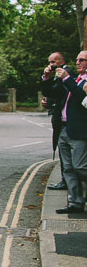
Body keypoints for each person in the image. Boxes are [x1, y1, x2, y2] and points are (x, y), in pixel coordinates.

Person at [51, 54, 87, 214]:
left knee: (80, 166)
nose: (77, 62)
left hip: (79, 130)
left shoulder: (78, 81)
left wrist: (67, 80)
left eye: (82, 60)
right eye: (77, 59)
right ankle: (75, 202)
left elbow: (83, 99)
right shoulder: (77, 79)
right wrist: (46, 79)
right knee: (68, 168)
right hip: (64, 128)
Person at [41, 52, 69, 189]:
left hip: (67, 121)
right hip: (59, 118)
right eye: (50, 62)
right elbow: (53, 94)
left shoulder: (66, 74)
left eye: (54, 62)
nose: (51, 65)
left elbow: (57, 92)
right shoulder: (57, 76)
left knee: (66, 154)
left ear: (61, 61)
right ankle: (65, 180)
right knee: (63, 152)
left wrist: (49, 79)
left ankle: (66, 181)